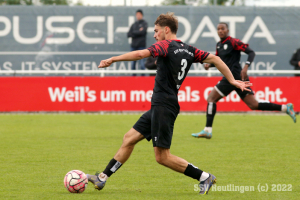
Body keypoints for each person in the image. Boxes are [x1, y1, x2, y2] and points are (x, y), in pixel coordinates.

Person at [87, 13, 251, 195]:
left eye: (156, 31)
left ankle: (204, 176)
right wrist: (233, 80)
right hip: (163, 105)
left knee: (162, 157)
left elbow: (141, 53)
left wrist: (114, 59)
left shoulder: (165, 45)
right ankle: (102, 178)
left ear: (166, 30)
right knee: (129, 138)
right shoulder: (189, 50)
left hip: (163, 106)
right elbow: (216, 59)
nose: (155, 35)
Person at [191, 22, 296, 139]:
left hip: (235, 77)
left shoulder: (234, 42)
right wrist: (209, 65)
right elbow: (220, 62)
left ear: (227, 30)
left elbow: (251, 52)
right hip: (232, 78)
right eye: (218, 29)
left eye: (223, 28)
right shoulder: (219, 45)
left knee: (211, 98)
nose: (220, 31)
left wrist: (246, 67)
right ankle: (286, 108)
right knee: (253, 105)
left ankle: (207, 130)